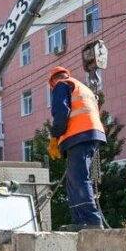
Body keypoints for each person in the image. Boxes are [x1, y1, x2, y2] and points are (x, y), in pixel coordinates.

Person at [47, 66, 106, 230]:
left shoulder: (61, 85)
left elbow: (61, 112)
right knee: (74, 179)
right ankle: (81, 221)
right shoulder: (81, 87)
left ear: (52, 82)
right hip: (92, 134)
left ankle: (91, 220)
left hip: (79, 135)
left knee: (78, 177)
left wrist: (54, 137)